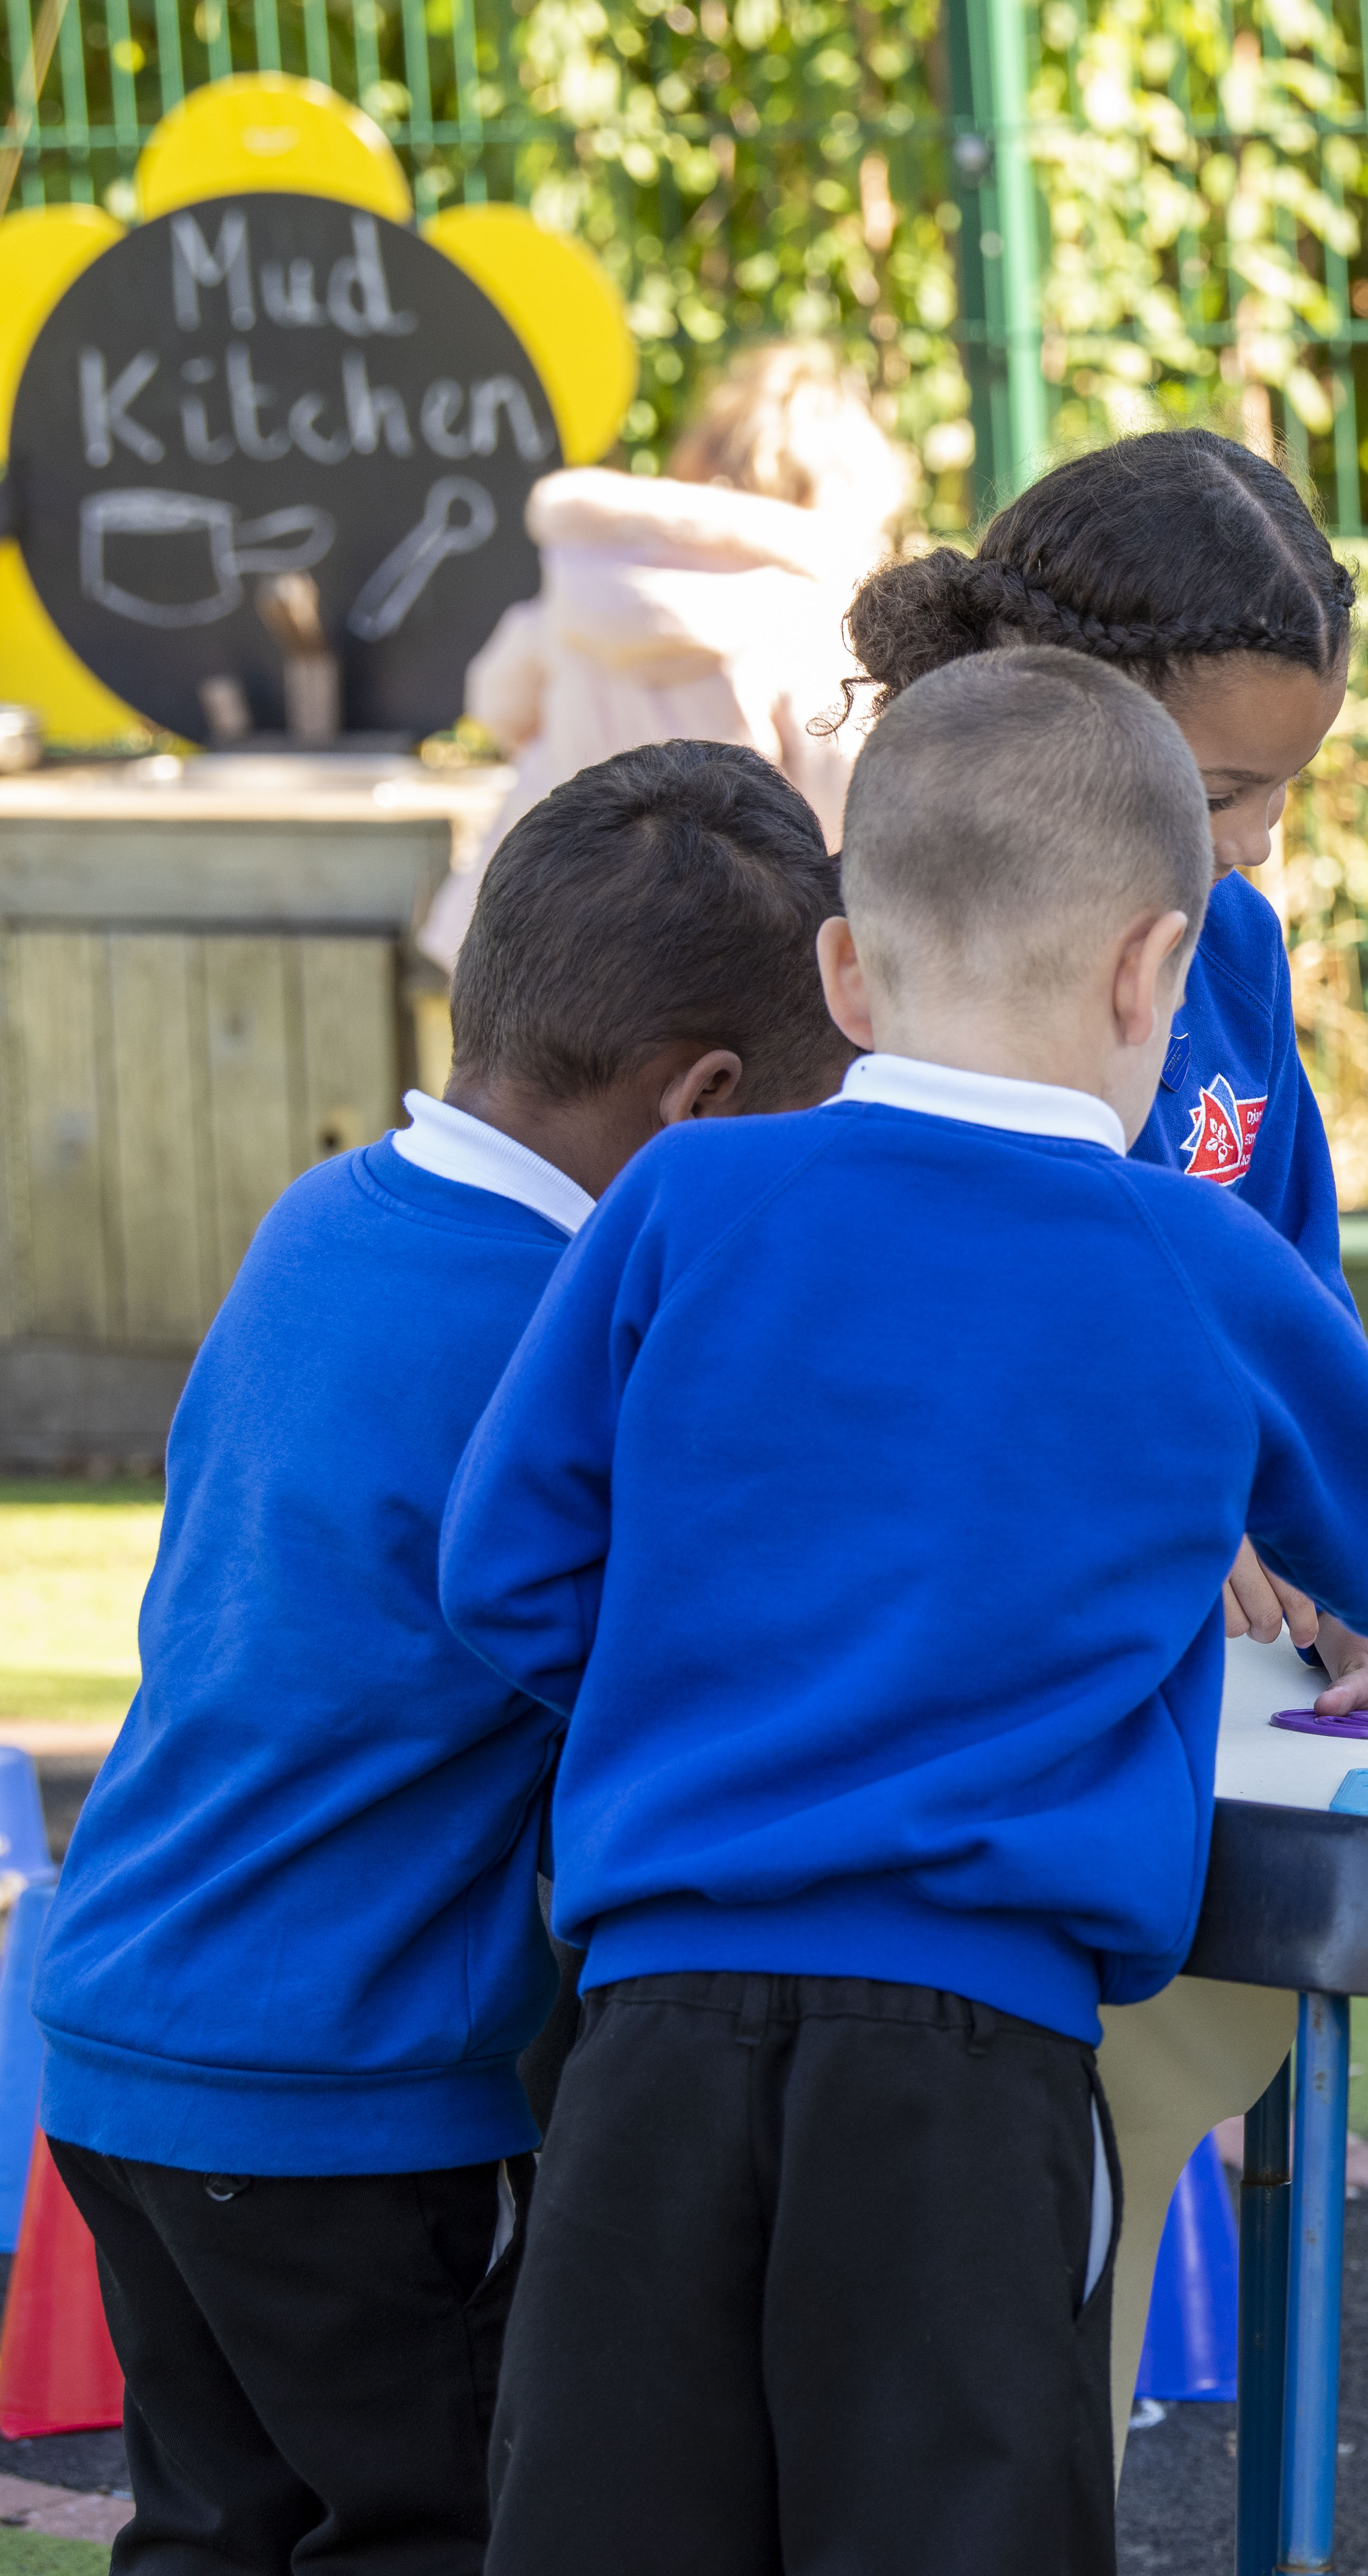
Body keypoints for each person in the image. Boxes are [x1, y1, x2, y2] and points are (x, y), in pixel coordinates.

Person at [441, 649, 1368, 2576]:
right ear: (1158, 971)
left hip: (647, 2037)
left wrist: (692, 1713)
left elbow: (505, 1571)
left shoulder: (684, 1203)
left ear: (845, 976)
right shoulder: (1192, 1254)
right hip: (967, 2060)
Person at [33, 740, 853, 2576]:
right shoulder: (565, 1331)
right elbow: (675, 1669)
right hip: (350, 2082)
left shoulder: (325, 1217)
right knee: (436, 2528)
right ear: (705, 1108)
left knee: (212, 2522)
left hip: (131, 2029)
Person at [840, 426, 1368, 2428]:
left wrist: (1345, 1568)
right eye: (1222, 796)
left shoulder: (1227, 944)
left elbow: (1283, 1318)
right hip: (951, 1784)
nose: (1254, 853)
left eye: (1282, 795)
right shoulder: (896, 949)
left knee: (1060, 2327)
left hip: (1171, 1730)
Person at [430, 341, 916, 967]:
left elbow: (493, 705)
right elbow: (852, 802)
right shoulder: (812, 619)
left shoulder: (591, 582)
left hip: (534, 936)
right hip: (712, 957)